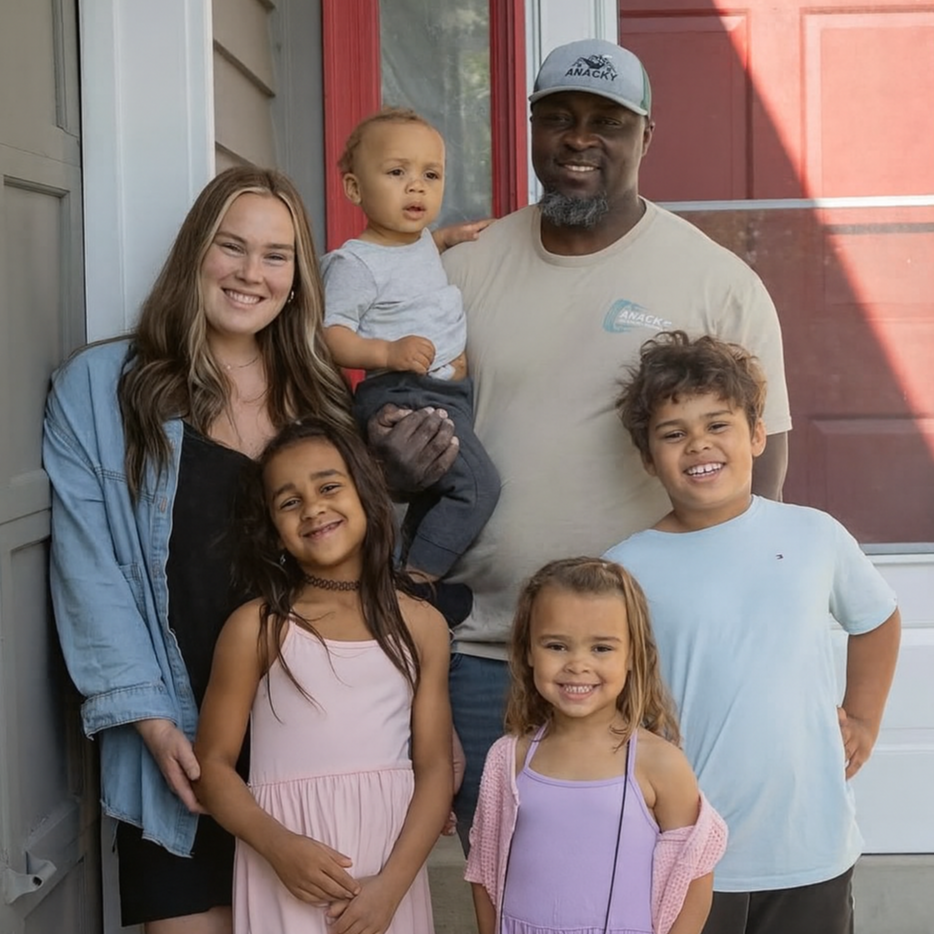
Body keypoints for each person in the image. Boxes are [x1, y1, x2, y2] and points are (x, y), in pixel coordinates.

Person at [368, 37, 793, 846]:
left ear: (646, 137)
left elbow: (762, 468)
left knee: (647, 885)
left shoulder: (716, 283)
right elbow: (397, 422)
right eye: (557, 117)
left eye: (607, 121)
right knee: (512, 881)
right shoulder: (462, 271)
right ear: (531, 127)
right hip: (487, 652)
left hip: (649, 656)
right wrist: (388, 470)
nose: (578, 137)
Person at [43, 167, 356, 933]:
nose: (253, 273)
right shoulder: (103, 390)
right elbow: (89, 572)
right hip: (177, 742)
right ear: (195, 255)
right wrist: (149, 721)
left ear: (297, 280)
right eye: (233, 247)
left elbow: (355, 571)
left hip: (308, 737)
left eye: (277, 256)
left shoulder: (321, 398)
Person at [603, 331, 901, 934]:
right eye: (673, 433)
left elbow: (878, 619)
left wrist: (864, 719)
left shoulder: (815, 535)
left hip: (808, 845)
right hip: (685, 849)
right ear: (646, 457)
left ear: (757, 435)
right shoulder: (625, 569)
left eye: (718, 424)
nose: (699, 445)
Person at [193, 419, 452, 934]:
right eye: (289, 502)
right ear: (274, 530)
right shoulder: (258, 628)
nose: (313, 508)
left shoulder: (422, 626)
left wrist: (392, 889)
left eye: (329, 486)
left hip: (386, 875)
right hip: (283, 872)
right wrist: (278, 847)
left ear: (367, 492)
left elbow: (436, 769)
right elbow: (212, 767)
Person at [466, 557, 728, 934]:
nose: (577, 664)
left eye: (601, 648)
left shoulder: (660, 764)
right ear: (527, 651)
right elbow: (484, 868)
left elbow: (694, 875)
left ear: (633, 655)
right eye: (556, 646)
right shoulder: (509, 758)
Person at [322, 107, 499, 595]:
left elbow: (419, 259)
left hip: (440, 391)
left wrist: (449, 240)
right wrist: (387, 352)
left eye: (430, 174)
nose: (416, 186)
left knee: (440, 485)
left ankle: (399, 568)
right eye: (397, 173)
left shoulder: (417, 240)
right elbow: (330, 335)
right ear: (355, 189)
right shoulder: (355, 263)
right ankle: (417, 580)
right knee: (477, 487)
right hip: (405, 391)